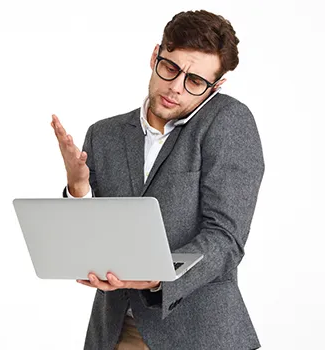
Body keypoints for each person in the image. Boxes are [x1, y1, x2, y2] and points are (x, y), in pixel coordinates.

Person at [51, 9, 264, 350]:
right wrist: (78, 190)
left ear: (216, 86)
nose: (175, 88)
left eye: (195, 82)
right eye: (170, 68)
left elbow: (226, 238)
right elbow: (92, 238)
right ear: (155, 55)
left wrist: (161, 275)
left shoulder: (227, 122)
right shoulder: (104, 135)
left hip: (199, 334)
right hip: (116, 331)